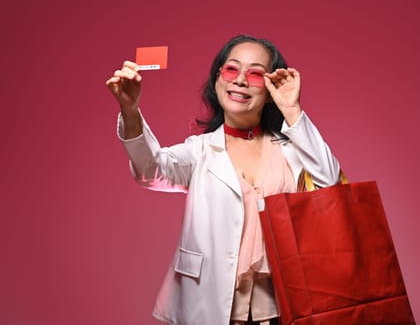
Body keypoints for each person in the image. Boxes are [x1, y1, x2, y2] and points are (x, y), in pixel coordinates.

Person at [106, 35, 341, 325]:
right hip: (209, 304)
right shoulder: (200, 150)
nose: (240, 80)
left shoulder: (292, 150)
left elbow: (331, 186)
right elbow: (150, 170)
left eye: (255, 73)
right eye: (231, 69)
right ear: (218, 80)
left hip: (283, 309)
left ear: (269, 89)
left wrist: (292, 111)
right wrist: (130, 110)